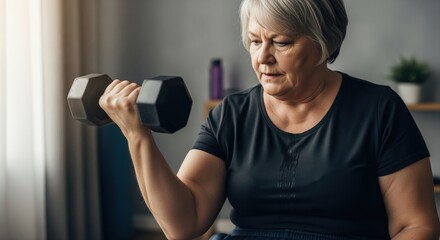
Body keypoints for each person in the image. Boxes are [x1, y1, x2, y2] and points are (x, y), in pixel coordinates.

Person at [99, 0, 440, 239]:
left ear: (324, 42)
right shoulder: (231, 115)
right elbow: (183, 223)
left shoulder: (379, 110)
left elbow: (416, 227)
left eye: (281, 42)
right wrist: (137, 135)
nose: (263, 57)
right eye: (254, 41)